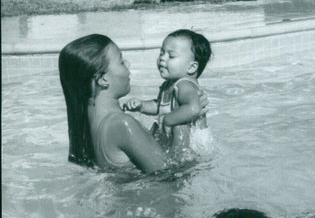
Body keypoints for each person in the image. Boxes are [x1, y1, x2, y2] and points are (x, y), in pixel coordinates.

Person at [58, 34, 208, 172]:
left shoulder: (89, 125)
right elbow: (174, 177)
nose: (128, 66)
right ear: (103, 80)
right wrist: (181, 123)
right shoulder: (121, 125)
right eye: (122, 62)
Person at [123, 29, 213, 154]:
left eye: (171, 56)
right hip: (178, 137)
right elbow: (160, 107)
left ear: (192, 67)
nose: (162, 58)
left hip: (192, 142)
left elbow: (193, 108)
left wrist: (168, 120)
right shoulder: (169, 85)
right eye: (161, 53)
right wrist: (141, 105)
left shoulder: (184, 85)